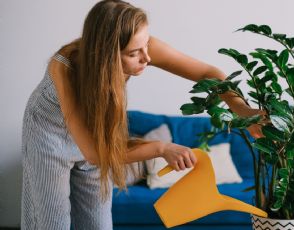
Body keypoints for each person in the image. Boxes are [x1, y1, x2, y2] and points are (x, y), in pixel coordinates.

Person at [21, 0, 263, 229]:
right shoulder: (63, 67)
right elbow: (94, 154)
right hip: (48, 133)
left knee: (99, 223)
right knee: (52, 221)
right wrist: (161, 148)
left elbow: (207, 73)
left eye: (146, 45)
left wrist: (242, 110)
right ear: (106, 56)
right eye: (134, 53)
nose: (147, 57)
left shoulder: (141, 46)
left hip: (95, 134)